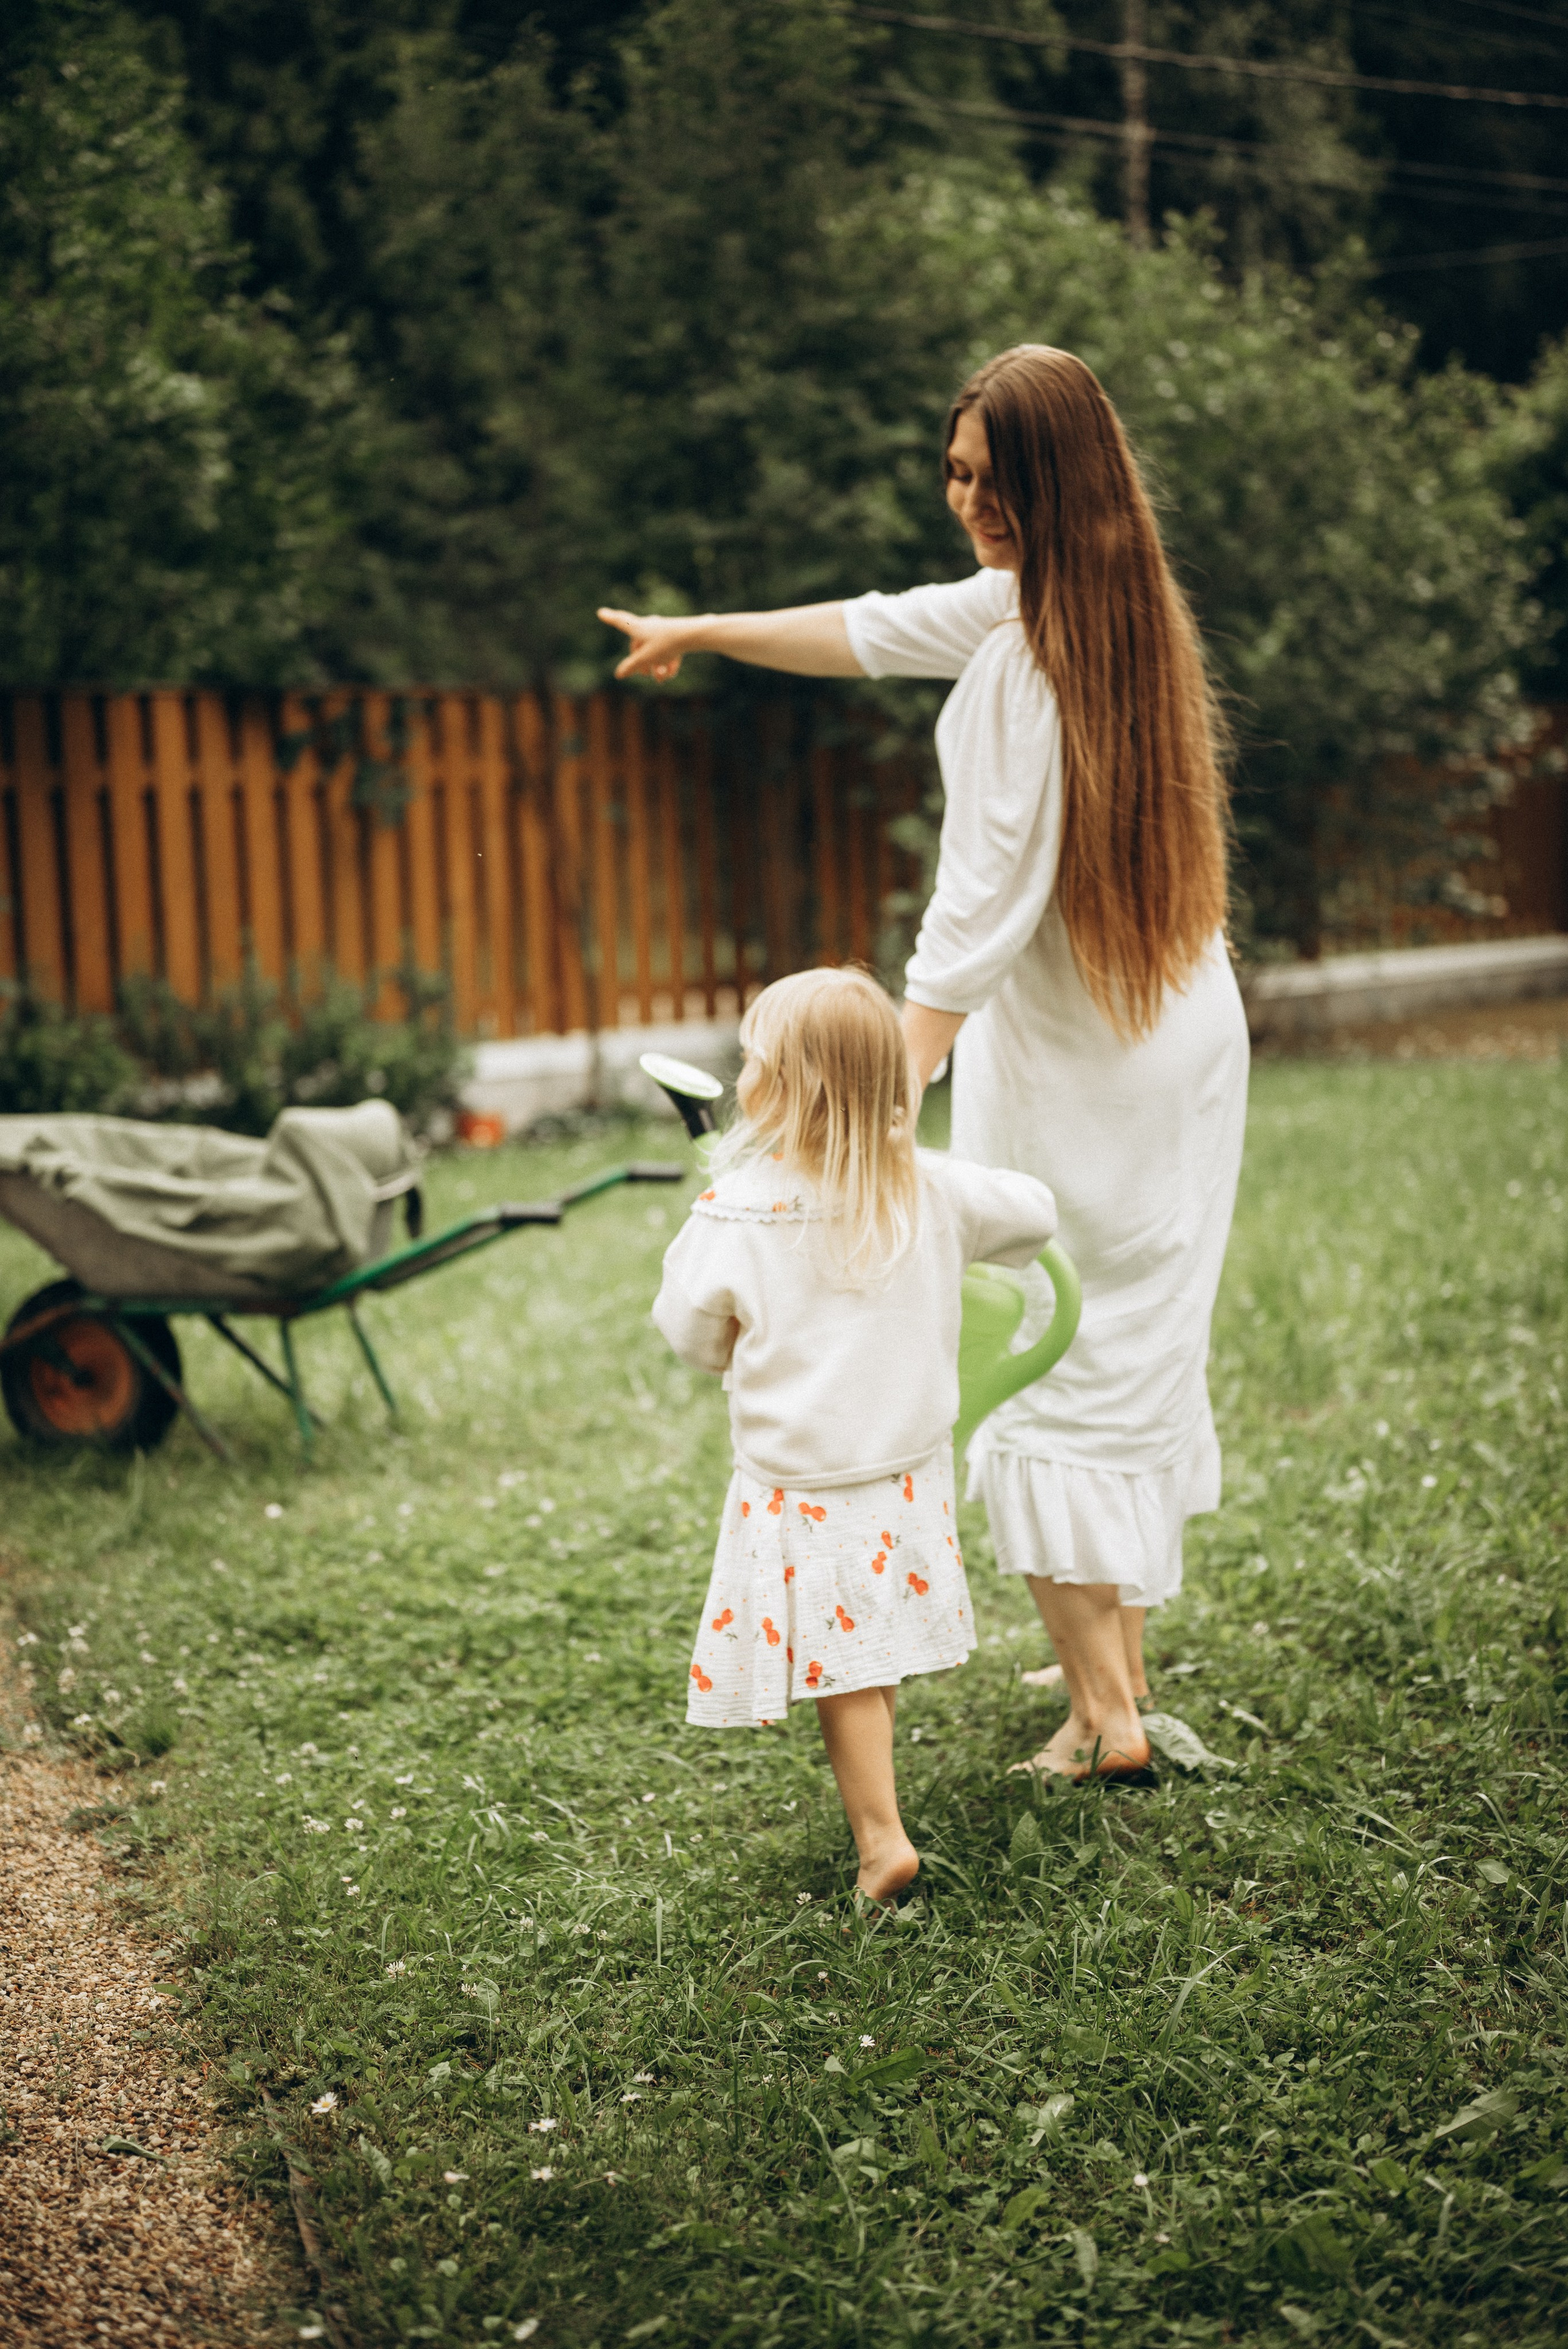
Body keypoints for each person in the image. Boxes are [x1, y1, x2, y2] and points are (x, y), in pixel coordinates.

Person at [603, 343, 1248, 1785]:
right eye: (953, 473)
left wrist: (868, 1106)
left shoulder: (1028, 659)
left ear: (1051, 486)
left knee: (1042, 1362)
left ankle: (1106, 1721)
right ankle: (1111, 1658)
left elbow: (971, 913)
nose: (964, 502)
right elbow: (870, 626)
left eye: (989, 480)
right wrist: (700, 627)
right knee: (1125, 1348)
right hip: (1179, 1041)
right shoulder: (1103, 610)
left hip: (1093, 1064)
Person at [650, 967, 1057, 1904]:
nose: (745, 1073)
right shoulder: (928, 1188)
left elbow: (692, 1336)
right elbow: (1034, 1212)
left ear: (779, 1089)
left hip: (802, 1487)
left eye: (755, 1060)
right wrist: (916, 1156)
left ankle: (882, 1840)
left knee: (846, 1669)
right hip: (905, 1477)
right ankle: (881, 1819)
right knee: (862, 1651)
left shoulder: (737, 1212)